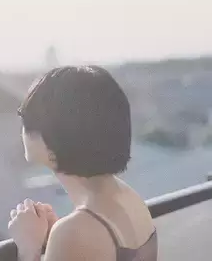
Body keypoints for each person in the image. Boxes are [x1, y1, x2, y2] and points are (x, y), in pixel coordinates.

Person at [8, 66, 157, 261]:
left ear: (56, 137)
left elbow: (85, 239)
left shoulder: (76, 232)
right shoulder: (127, 196)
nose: (23, 132)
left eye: (28, 123)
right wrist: (57, 237)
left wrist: (29, 248)